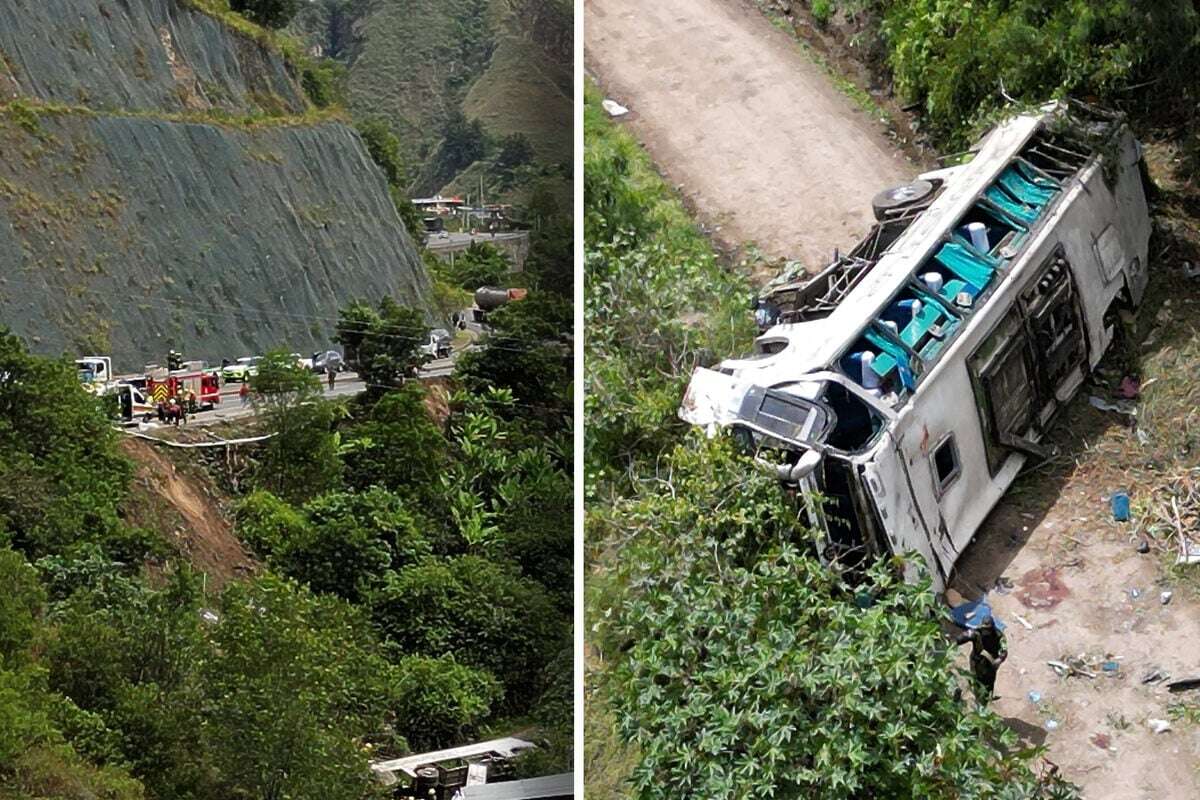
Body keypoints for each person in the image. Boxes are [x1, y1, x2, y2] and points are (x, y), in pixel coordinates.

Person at [955, 614, 1007, 704]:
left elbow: (1004, 650)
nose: (986, 631)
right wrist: (954, 641)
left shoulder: (999, 635)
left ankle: (983, 704)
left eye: (988, 630)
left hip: (990, 665)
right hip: (976, 662)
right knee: (975, 681)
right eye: (985, 629)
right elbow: (963, 637)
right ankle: (975, 697)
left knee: (987, 687)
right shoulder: (976, 633)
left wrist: (1000, 659)